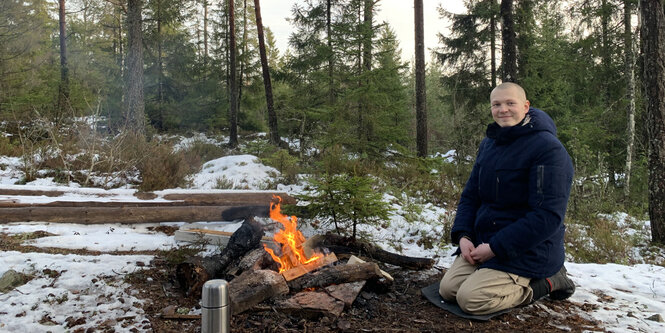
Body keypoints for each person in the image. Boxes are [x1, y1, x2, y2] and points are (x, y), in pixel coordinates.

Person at [439, 82, 576, 315]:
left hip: (529, 249)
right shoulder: (490, 143)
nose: (503, 110)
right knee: (448, 290)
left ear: (525, 106)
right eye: (497, 104)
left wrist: (495, 248)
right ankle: (489, 272)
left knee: (470, 300)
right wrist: (463, 235)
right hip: (485, 240)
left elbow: (546, 216)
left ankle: (550, 281)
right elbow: (471, 195)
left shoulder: (548, 150)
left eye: (510, 103)